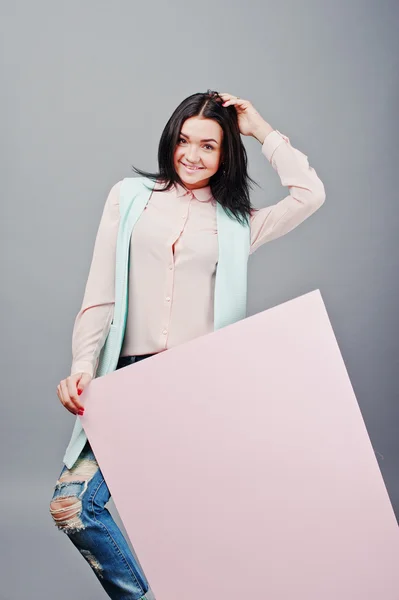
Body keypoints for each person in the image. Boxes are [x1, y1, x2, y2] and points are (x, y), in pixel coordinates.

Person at [49, 89, 326, 600]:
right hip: (126, 379)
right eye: (183, 140)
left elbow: (310, 194)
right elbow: (101, 292)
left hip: (196, 388)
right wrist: (84, 364)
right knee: (73, 504)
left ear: (226, 155)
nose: (192, 156)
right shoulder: (130, 197)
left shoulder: (239, 223)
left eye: (209, 146)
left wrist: (261, 128)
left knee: (197, 529)